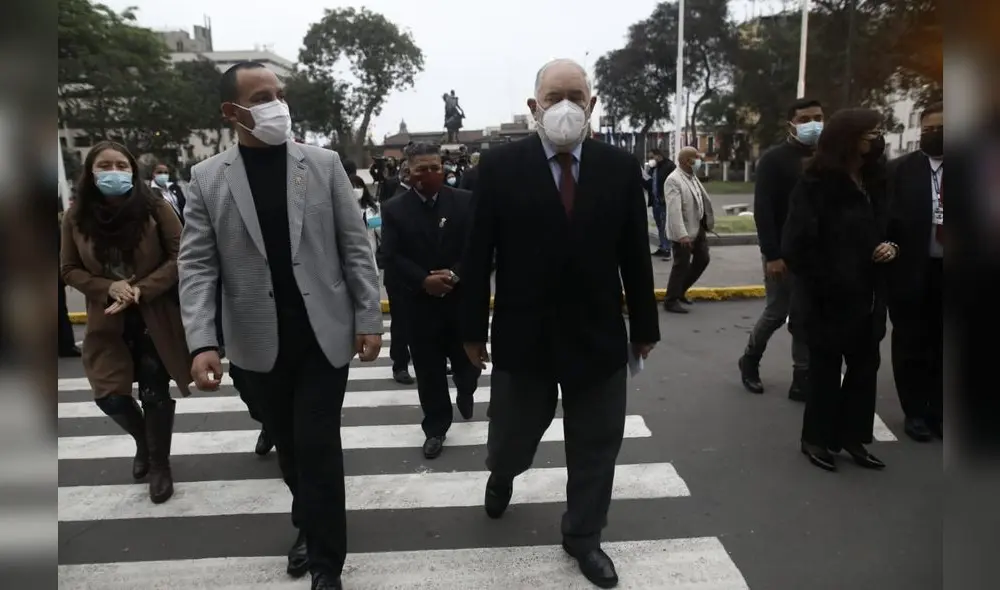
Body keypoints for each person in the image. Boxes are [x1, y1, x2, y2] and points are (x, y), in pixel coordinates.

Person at [177, 61, 383, 590]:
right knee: (291, 451)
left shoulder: (323, 164)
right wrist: (202, 340)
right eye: (261, 95)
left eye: (279, 93)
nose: (276, 104)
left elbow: (355, 247)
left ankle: (325, 564)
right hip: (254, 343)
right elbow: (198, 264)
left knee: (317, 446)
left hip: (321, 336)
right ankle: (307, 519)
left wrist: (369, 317)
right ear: (232, 111)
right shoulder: (206, 179)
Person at [461, 58, 659, 588]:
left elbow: (635, 255)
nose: (566, 106)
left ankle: (584, 537)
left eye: (577, 95)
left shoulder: (619, 169)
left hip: (597, 337)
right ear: (535, 106)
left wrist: (644, 326)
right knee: (512, 438)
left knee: (597, 446)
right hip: (524, 337)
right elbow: (478, 256)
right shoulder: (499, 169)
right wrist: (471, 331)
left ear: (592, 105)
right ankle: (502, 473)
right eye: (555, 97)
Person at [60, 140, 191, 503]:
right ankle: (142, 441)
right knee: (110, 397)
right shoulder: (76, 216)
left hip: (154, 315)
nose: (114, 172)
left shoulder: (154, 207)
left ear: (133, 170)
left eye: (122, 165)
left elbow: (182, 254)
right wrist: (107, 286)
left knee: (154, 392)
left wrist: (141, 289)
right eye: (105, 165)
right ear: (90, 172)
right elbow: (68, 269)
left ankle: (160, 464)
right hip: (107, 319)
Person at [781, 108, 899, 472]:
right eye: (869, 133)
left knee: (865, 371)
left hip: (870, 297)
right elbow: (796, 246)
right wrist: (830, 279)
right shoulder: (816, 183)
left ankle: (853, 438)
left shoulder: (877, 179)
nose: (876, 139)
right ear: (848, 139)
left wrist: (891, 245)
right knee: (825, 372)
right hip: (828, 299)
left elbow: (894, 226)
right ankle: (816, 439)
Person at [380, 142, 482, 459]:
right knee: (428, 370)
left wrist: (455, 274)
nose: (430, 174)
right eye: (422, 168)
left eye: (435, 167)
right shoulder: (394, 209)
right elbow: (390, 256)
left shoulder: (465, 202)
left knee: (467, 363)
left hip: (460, 300)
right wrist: (423, 280)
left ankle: (466, 391)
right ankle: (436, 427)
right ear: (408, 172)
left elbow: (478, 248)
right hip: (420, 304)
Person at [739, 98, 824, 400]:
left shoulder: (828, 156)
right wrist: (772, 255)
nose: (812, 124)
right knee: (777, 311)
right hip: (783, 252)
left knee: (804, 316)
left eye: (817, 117)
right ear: (791, 123)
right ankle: (749, 360)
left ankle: (801, 376)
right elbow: (763, 210)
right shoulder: (774, 159)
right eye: (804, 119)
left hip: (817, 253)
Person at [885, 101, 944, 441]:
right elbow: (885, 221)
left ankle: (940, 411)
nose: (935, 134)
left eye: (943, 128)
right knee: (910, 343)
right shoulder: (900, 170)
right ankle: (915, 412)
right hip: (911, 272)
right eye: (929, 129)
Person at [662, 147, 715, 313]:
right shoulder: (673, 180)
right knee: (681, 265)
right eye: (696, 158)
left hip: (697, 227)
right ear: (686, 161)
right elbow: (674, 210)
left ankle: (680, 291)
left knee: (703, 259)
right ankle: (671, 300)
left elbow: (700, 199)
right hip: (683, 231)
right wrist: (682, 235)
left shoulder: (691, 176)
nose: (699, 161)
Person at [644, 148, 676, 259]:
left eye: (652, 157)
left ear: (658, 156)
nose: (651, 160)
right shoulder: (653, 168)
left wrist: (667, 197)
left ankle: (667, 248)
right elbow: (649, 182)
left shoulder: (669, 166)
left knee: (665, 225)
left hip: (665, 201)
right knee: (659, 225)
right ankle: (662, 246)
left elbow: (674, 182)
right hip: (655, 201)